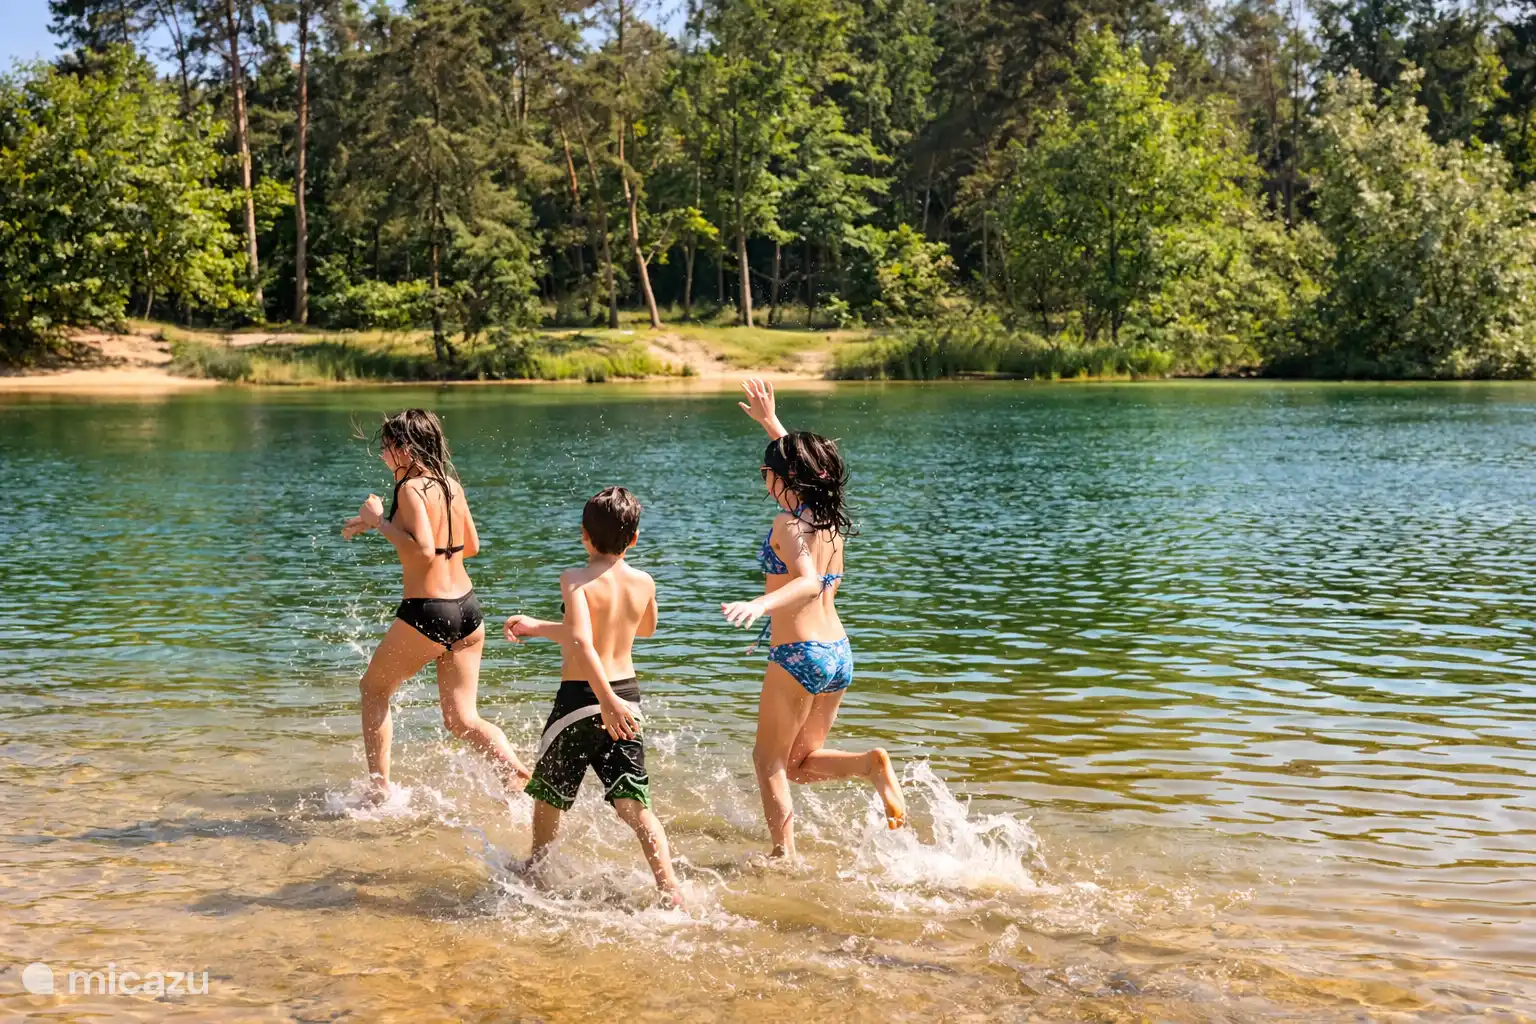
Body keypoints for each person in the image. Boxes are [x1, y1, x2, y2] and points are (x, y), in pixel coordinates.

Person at [722, 379, 905, 859]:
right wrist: (770, 422)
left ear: (783, 479)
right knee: (801, 764)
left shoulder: (787, 523)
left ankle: (784, 858)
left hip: (798, 653)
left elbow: (806, 581)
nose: (763, 477)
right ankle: (869, 765)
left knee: (769, 762)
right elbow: (802, 475)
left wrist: (759, 606)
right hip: (838, 653)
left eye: (767, 470)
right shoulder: (825, 519)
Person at [503, 487, 683, 906]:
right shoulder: (644, 581)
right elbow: (644, 629)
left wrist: (603, 699)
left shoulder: (574, 579)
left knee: (550, 792)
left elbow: (584, 641)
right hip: (627, 697)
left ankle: (536, 867)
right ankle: (670, 889)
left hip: (583, 698)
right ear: (634, 538)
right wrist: (537, 626)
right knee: (634, 802)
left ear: (584, 536)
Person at [342, 408, 529, 801]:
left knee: (373, 690)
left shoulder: (409, 489)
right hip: (467, 611)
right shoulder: (451, 486)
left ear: (406, 449)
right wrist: (378, 524)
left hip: (427, 612)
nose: (382, 455)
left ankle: (379, 794)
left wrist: (380, 523)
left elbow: (425, 551)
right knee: (462, 719)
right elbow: (471, 547)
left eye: (388, 446)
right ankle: (512, 769)